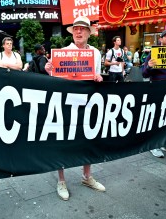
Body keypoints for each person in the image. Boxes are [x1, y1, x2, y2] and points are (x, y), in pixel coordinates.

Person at [45, 16, 105, 201]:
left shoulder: (95, 53)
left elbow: (96, 75)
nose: (79, 32)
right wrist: (50, 71)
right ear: (73, 33)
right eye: (76, 29)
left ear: (88, 33)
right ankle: (61, 180)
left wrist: (98, 77)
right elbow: (56, 79)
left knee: (88, 139)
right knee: (63, 141)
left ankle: (87, 176)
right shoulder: (63, 52)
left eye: (83, 29)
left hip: (87, 103)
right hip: (67, 103)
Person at [142, 29, 166, 158]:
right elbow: (144, 73)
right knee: (157, 118)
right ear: (161, 39)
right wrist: (149, 66)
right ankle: (154, 145)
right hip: (159, 92)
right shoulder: (154, 53)